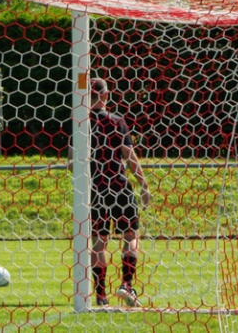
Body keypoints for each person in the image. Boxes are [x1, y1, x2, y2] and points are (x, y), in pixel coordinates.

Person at [69, 78, 151, 307]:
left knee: (98, 242)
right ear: (105, 96)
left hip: (95, 189)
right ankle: (126, 285)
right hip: (119, 186)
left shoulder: (80, 124)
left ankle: (101, 296)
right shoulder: (117, 121)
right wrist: (144, 185)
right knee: (130, 236)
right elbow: (129, 156)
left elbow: (71, 163)